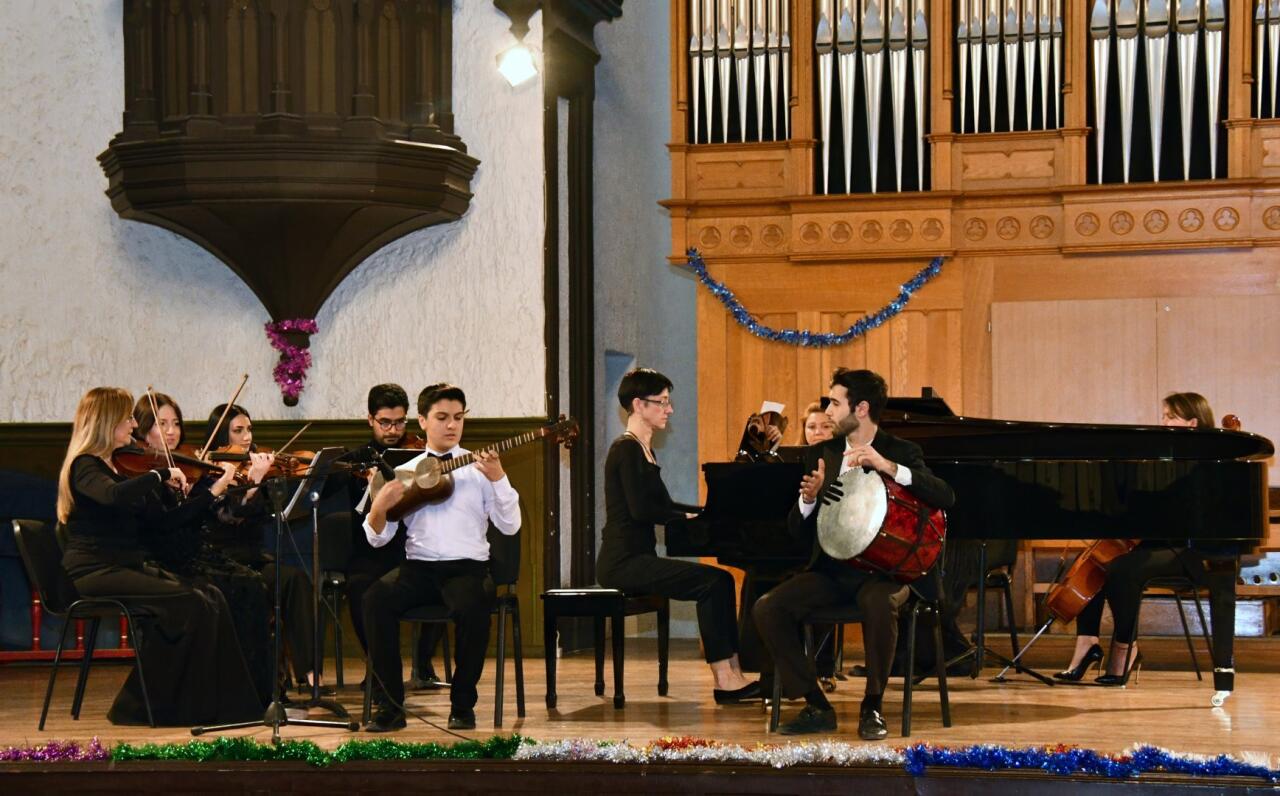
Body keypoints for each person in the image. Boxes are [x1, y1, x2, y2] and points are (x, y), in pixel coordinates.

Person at [753, 368, 955, 738]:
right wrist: (807, 500)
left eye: (835, 402)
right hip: (832, 572)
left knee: (878, 603)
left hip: (886, 572)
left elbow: (945, 496)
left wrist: (889, 467)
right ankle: (816, 704)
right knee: (768, 607)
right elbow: (796, 533)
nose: (828, 411)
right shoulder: (821, 454)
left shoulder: (901, 451)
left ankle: (872, 705)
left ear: (860, 408)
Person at [57, 387, 260, 725]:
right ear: (108, 422)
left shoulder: (121, 465)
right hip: (95, 569)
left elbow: (165, 522)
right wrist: (160, 474)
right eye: (127, 418)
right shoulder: (86, 466)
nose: (134, 423)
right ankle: (140, 706)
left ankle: (226, 706)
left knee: (211, 596)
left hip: (126, 564)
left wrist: (210, 492)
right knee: (190, 601)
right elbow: (112, 496)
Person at [362, 383, 521, 731]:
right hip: (418, 569)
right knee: (375, 599)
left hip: (467, 569)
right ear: (422, 420)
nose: (452, 425)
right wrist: (378, 507)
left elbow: (509, 527)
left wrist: (500, 478)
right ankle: (390, 707)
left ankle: (462, 705)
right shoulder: (405, 471)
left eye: (459, 418)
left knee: (473, 605)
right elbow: (379, 538)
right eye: (442, 417)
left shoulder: (480, 470)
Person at [596, 368, 759, 703]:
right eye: (663, 403)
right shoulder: (625, 449)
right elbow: (642, 510)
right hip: (622, 562)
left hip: (639, 558)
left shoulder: (644, 450)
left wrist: (704, 512)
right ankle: (725, 681)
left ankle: (735, 674)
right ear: (638, 405)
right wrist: (686, 515)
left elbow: (664, 505)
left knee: (722, 581)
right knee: (712, 583)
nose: (669, 410)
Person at [1055, 391, 1222, 686]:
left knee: (1122, 568)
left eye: (1171, 417)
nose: (1163, 421)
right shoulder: (1160, 462)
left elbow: (1190, 516)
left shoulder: (1207, 465)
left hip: (1188, 552)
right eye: (1164, 415)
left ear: (1193, 423)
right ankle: (1087, 642)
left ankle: (1125, 647)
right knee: (1101, 561)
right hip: (1152, 547)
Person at [131, 392, 275, 703]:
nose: (171, 431)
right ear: (142, 430)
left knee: (251, 582)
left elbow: (213, 517)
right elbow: (165, 526)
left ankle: (252, 690)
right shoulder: (142, 474)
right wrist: (214, 488)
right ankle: (230, 692)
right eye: (161, 424)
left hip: (191, 555)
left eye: (176, 423)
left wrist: (198, 491)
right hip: (163, 562)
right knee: (237, 586)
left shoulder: (179, 468)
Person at [202, 402, 323, 694]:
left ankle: (309, 674)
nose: (246, 437)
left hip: (254, 558)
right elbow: (228, 516)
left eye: (249, 429)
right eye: (237, 430)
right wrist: (253, 482)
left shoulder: (251, 466)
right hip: (222, 564)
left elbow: (265, 513)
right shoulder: (208, 472)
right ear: (221, 436)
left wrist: (267, 481)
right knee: (259, 586)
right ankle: (265, 679)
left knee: (296, 580)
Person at [338, 383, 443, 687]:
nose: (393, 430)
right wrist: (372, 489)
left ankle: (422, 664)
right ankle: (380, 668)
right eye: (385, 422)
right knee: (358, 586)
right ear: (370, 419)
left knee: (444, 569)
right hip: (371, 554)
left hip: (413, 546)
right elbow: (358, 515)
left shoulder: (421, 453)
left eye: (400, 422)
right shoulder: (356, 460)